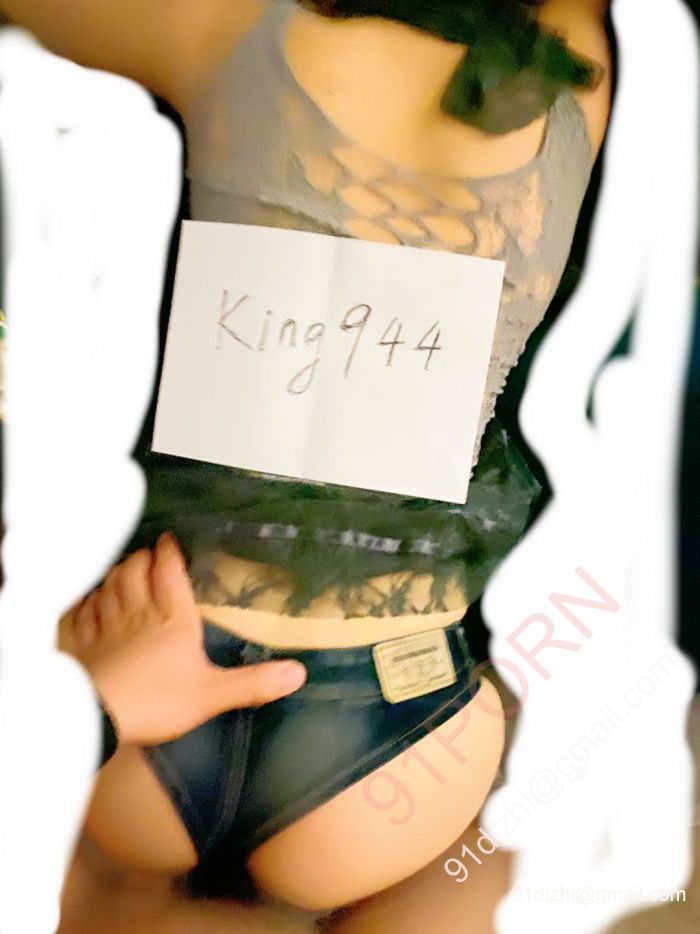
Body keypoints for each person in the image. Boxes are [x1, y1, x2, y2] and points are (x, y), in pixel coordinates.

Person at [1, 0, 612, 926]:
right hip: (399, 731)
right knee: (555, 816)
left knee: (97, 885)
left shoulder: (223, 24)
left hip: (145, 663)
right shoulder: (582, 67)